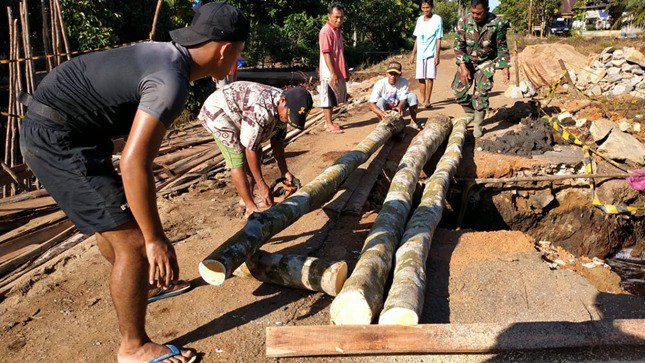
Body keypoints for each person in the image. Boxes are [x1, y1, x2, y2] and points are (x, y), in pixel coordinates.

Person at [19, 3, 248, 362]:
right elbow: (133, 162)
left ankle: (148, 285)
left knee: (116, 222)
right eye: (238, 52)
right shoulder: (171, 82)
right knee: (134, 241)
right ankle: (134, 346)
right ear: (225, 50)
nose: (236, 60)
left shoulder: (168, 58)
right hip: (57, 137)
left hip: (69, 129)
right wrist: (155, 239)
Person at [198, 82, 313, 218]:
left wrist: (284, 171)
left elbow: (277, 141)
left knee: (257, 152)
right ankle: (250, 207)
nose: (287, 120)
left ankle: (247, 197)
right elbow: (249, 149)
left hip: (238, 113)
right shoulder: (260, 109)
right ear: (282, 101)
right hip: (218, 113)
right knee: (238, 158)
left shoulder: (283, 107)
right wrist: (262, 185)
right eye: (288, 116)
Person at [452, 0, 510, 138]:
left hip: (486, 61)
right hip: (467, 61)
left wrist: (505, 67)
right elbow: (458, 47)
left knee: (481, 93)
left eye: (479, 13)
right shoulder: (464, 21)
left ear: (487, 9)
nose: (475, 16)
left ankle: (478, 124)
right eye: (473, 12)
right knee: (458, 91)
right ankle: (470, 112)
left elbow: (502, 46)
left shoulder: (497, 23)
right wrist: (463, 67)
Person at [319, 2, 349, 134]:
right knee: (327, 96)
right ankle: (328, 124)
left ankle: (329, 122)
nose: (339, 20)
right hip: (328, 70)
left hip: (337, 68)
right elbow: (326, 53)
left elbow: (340, 52)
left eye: (341, 17)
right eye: (336, 17)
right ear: (329, 16)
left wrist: (345, 69)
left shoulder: (337, 31)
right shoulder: (326, 31)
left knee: (333, 97)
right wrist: (332, 72)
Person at [409, 0, 443, 109]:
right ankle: (422, 99)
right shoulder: (419, 20)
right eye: (423, 8)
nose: (425, 10)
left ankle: (428, 100)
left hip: (431, 53)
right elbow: (417, 38)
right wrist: (413, 54)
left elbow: (438, 39)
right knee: (420, 78)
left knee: (429, 77)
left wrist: (437, 55)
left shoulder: (437, 19)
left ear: (431, 7)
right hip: (421, 54)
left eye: (427, 7)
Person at [368, 61, 420, 128]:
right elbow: (370, 103)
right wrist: (381, 113)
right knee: (380, 101)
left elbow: (403, 99)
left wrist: (400, 107)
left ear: (400, 74)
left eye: (395, 74)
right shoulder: (380, 83)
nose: (393, 76)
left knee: (412, 96)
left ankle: (413, 121)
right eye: (390, 73)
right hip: (386, 109)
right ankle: (383, 121)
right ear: (386, 73)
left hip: (398, 107)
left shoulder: (404, 81)